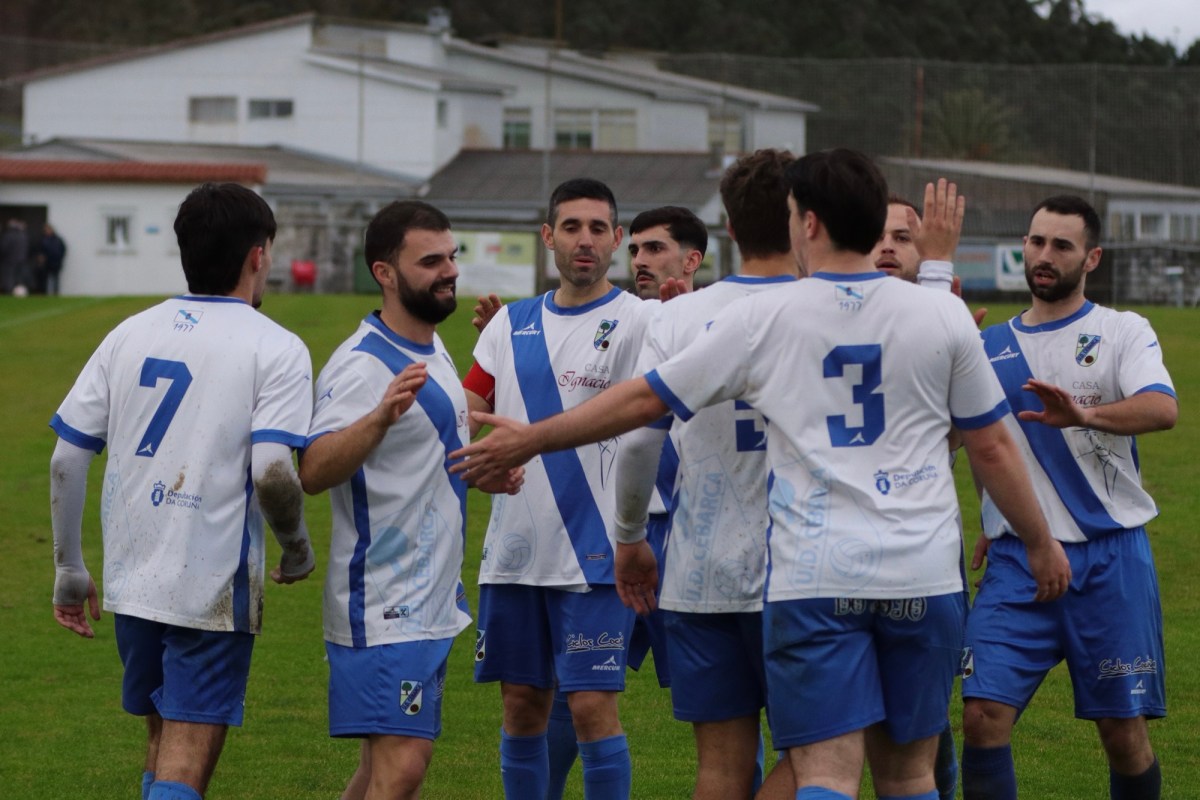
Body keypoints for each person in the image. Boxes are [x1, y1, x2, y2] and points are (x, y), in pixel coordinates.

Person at [449, 148, 1073, 800]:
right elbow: (993, 446)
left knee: (803, 771)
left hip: (782, 573)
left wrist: (543, 448)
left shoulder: (756, 316)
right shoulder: (936, 311)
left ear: (801, 222)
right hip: (916, 569)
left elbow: (643, 410)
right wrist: (1037, 540)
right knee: (905, 771)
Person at [48, 182, 316, 800]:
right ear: (258, 255)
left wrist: (69, 566)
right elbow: (274, 470)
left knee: (162, 737)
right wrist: (297, 547)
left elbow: (67, 456)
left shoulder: (128, 333)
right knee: (186, 762)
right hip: (210, 584)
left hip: (132, 576)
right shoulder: (276, 347)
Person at [299, 200, 521, 800]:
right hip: (384, 600)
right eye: (430, 261)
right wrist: (374, 420)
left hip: (426, 595)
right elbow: (314, 469)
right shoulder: (362, 365)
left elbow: (423, 451)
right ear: (385, 273)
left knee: (384, 772)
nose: (449, 270)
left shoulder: (430, 346)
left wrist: (478, 470)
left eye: (452, 256)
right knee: (402, 768)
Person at [960, 195, 1177, 800]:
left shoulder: (1120, 330)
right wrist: (990, 514)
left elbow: (1162, 408)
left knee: (1121, 731)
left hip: (1110, 559)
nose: (1044, 256)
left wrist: (1081, 414)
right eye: (1035, 242)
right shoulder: (988, 344)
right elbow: (979, 440)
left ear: (1092, 257)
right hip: (1018, 562)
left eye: (1061, 245)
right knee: (980, 719)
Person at [611, 148, 799, 800]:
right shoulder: (829, 310)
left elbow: (639, 444)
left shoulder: (678, 315)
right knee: (822, 759)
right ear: (806, 217)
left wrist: (631, 539)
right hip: (803, 573)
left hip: (698, 571)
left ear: (727, 227)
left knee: (718, 769)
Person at [461, 177, 645, 799]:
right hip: (515, 552)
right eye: (571, 227)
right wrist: (482, 464)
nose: (585, 240)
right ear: (548, 238)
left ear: (617, 240)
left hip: (596, 551)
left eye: (598, 228)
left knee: (593, 707)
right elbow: (469, 414)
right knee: (520, 706)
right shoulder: (507, 325)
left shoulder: (639, 322)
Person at [542, 203, 707, 799]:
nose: (640, 260)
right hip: (619, 533)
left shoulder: (713, 326)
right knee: (578, 692)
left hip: (690, 533)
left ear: (693, 259)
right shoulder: (634, 320)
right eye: (634, 248)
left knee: (720, 706)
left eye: (654, 249)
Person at [1, 217, 29, 293]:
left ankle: (9, 291)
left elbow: (3, 248)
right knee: (19, 277)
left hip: (9, 260)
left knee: (9, 277)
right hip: (21, 260)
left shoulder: (8, 235)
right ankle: (19, 292)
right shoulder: (23, 235)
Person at [38, 222, 67, 295]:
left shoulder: (58, 240)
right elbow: (40, 250)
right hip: (47, 263)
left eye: (48, 229)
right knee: (45, 279)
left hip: (56, 263)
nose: (47, 231)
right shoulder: (43, 240)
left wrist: (59, 258)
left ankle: (55, 293)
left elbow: (63, 250)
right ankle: (45, 293)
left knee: (55, 279)